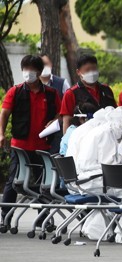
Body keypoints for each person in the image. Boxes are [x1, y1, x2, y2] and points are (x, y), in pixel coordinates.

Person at [0, 55, 61, 226]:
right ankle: (5, 217)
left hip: (42, 146)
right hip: (20, 146)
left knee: (45, 182)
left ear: (40, 72)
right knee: (13, 181)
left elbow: (60, 112)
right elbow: (4, 113)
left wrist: (54, 120)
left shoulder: (51, 93)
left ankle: (44, 219)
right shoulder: (16, 91)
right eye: (25, 69)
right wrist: (1, 134)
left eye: (32, 69)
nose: (28, 73)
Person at [75, 107, 122, 197]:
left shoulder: (100, 130)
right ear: (120, 125)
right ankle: (121, 211)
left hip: (87, 178)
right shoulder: (107, 133)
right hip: (95, 181)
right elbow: (110, 165)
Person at [60, 54, 116, 134]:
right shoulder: (71, 93)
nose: (92, 73)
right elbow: (67, 121)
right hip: (83, 138)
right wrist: (66, 142)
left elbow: (114, 112)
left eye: (94, 69)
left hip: (107, 135)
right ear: (78, 72)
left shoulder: (106, 89)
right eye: (87, 70)